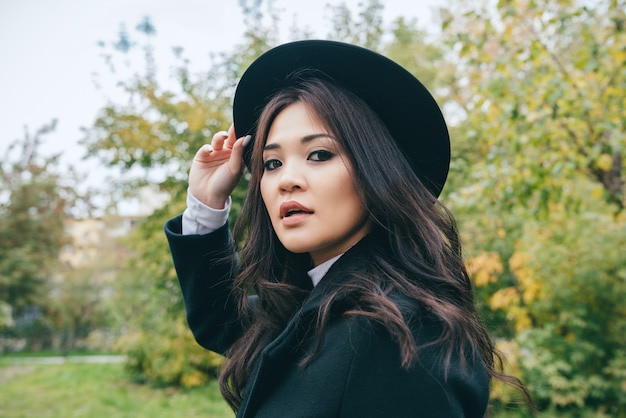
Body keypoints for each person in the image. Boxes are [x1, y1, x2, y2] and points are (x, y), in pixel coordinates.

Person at [165, 40, 527, 417]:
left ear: (377, 172)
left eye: (319, 154)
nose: (287, 179)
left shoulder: (395, 334)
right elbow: (224, 323)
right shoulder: (312, 301)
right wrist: (205, 203)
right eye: (271, 163)